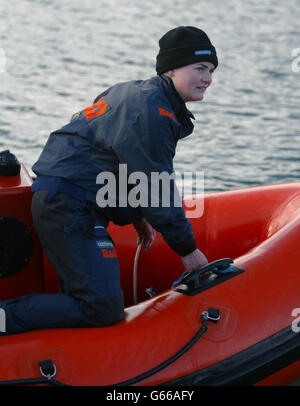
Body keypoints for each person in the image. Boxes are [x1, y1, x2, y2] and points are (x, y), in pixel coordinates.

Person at [0, 26, 218, 335]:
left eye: (210, 70)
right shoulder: (152, 112)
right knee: (100, 308)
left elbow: (113, 161)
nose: (208, 78)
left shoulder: (132, 92)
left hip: (66, 199)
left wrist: (138, 217)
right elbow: (155, 185)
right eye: (199, 68)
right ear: (170, 68)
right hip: (70, 206)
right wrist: (188, 250)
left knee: (87, 301)